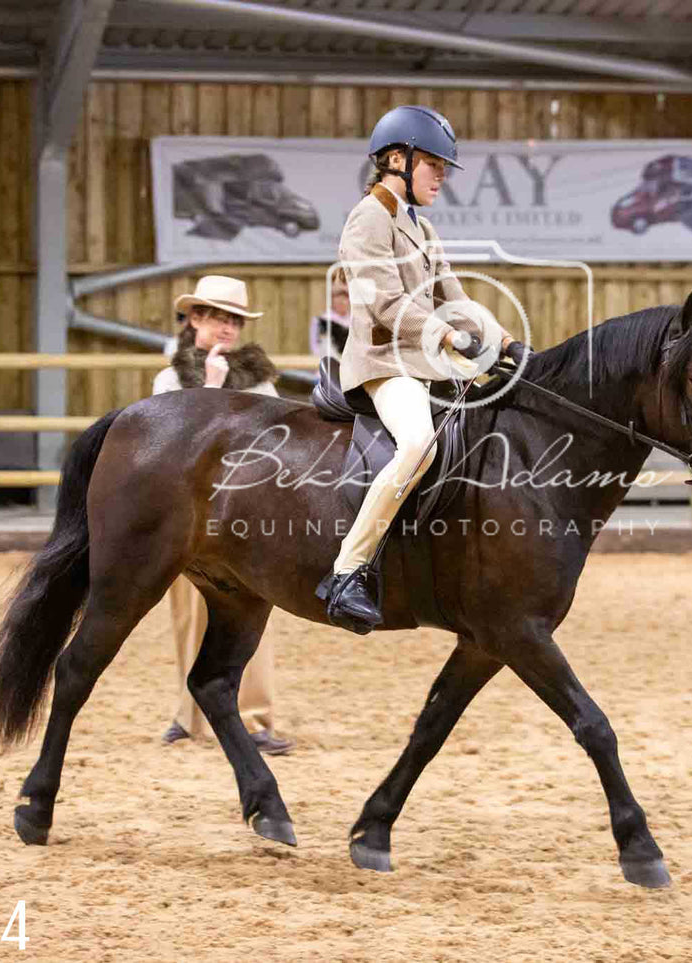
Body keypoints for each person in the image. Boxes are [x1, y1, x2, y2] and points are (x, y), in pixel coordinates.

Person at [317, 105, 525, 634]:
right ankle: (347, 571)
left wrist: (499, 336)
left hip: (426, 361)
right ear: (396, 160)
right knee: (417, 445)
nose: (442, 178)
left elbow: (451, 292)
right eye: (433, 165)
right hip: (384, 363)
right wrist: (448, 334)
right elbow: (384, 303)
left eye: (443, 167)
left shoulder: (422, 226)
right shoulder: (368, 218)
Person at [154, 275, 295, 756]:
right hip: (187, 514)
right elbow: (170, 443)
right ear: (195, 318)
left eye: (234, 319)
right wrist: (211, 391)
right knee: (188, 615)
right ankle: (188, 714)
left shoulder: (259, 378)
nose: (229, 327)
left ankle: (255, 718)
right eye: (219, 317)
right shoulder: (170, 378)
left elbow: (276, 440)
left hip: (245, 515)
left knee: (252, 613)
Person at [309, 271, 351, 361]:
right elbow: (315, 350)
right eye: (338, 296)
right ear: (331, 297)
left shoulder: (355, 321)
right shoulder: (321, 321)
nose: (342, 300)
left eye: (346, 296)